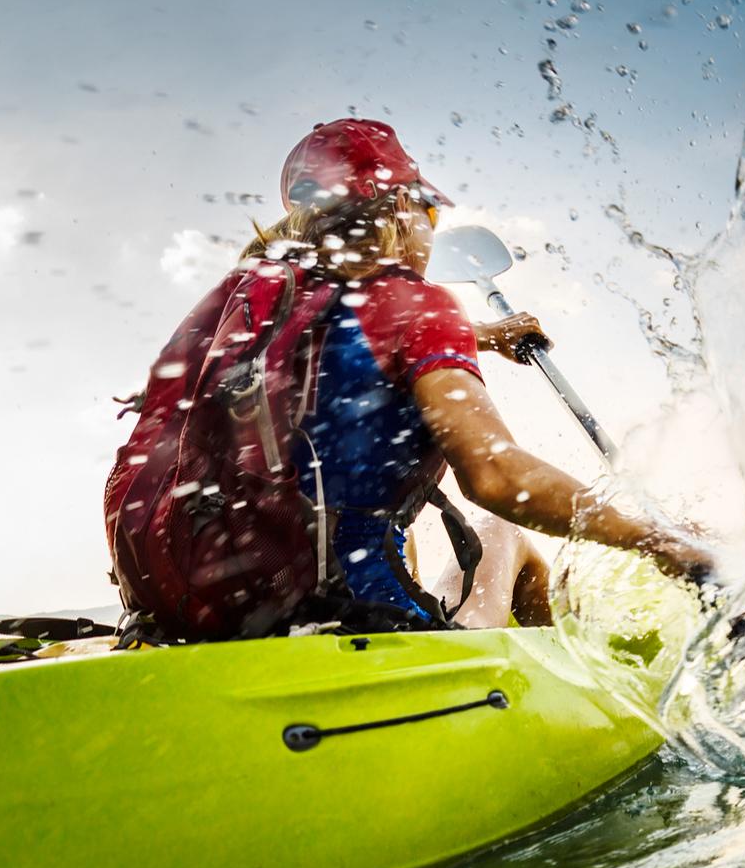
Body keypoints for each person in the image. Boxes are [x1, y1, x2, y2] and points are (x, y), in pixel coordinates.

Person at [107, 119, 708, 636]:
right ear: (400, 207)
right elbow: (496, 477)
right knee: (504, 530)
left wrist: (482, 335)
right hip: (352, 620)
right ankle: (568, 691)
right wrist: (665, 542)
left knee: (375, 512)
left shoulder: (254, 305)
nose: (432, 230)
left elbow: (346, 348)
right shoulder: (415, 304)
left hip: (196, 617)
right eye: (431, 212)